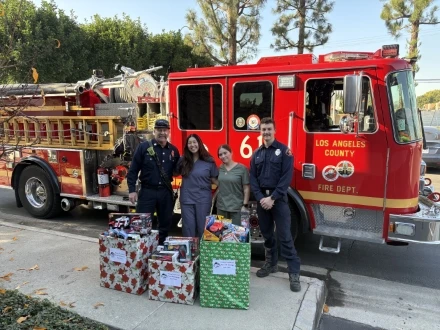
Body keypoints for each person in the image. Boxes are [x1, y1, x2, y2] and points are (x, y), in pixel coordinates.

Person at [249, 117, 301, 292]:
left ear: (275, 130)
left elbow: (286, 179)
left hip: (278, 201)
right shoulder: (256, 154)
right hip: (262, 200)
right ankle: (271, 264)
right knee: (266, 234)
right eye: (263, 129)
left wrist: (273, 198)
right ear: (260, 132)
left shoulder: (284, 151)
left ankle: (294, 273)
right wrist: (260, 198)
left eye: (269, 129)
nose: (266, 132)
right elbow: (253, 179)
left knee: (285, 236)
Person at [126, 119, 180, 245]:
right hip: (147, 192)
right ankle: (142, 252)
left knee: (165, 225)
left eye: (165, 130)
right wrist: (132, 190)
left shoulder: (173, 150)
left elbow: (178, 170)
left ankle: (160, 250)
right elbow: (133, 170)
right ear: (154, 131)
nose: (162, 133)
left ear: (168, 132)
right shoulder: (144, 147)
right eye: (159, 130)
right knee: (142, 224)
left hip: (165, 192)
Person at [177, 134, 218, 238]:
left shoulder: (209, 161)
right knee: (188, 228)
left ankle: (202, 253)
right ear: (187, 146)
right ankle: (190, 252)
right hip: (187, 199)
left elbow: (216, 181)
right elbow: (173, 172)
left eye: (194, 142)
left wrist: (216, 195)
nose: (192, 145)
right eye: (189, 143)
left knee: (202, 229)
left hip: (203, 200)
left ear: (199, 144)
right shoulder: (183, 160)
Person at [216, 144, 250, 225]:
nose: (223, 156)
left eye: (225, 153)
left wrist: (245, 205)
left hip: (237, 209)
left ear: (231, 153)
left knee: (236, 235)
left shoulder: (242, 169)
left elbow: (246, 188)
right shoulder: (219, 169)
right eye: (220, 154)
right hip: (221, 208)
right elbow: (217, 181)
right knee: (222, 233)